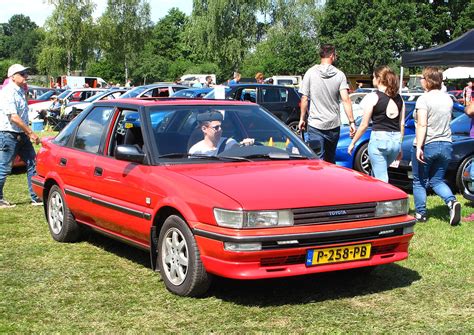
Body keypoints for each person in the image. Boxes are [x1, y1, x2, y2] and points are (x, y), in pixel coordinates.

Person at [412, 67, 461, 225]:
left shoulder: (423, 99)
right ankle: (452, 202)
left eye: (422, 77)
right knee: (437, 180)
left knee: (419, 180)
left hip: (429, 143)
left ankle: (420, 213)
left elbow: (422, 124)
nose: (420, 80)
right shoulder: (448, 99)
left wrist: (419, 146)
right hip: (446, 144)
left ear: (427, 80)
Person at [298, 44, 356, 163]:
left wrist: (302, 118)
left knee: (316, 160)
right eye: (335, 55)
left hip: (315, 125)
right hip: (333, 125)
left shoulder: (310, 73)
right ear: (331, 55)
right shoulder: (340, 75)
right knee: (330, 160)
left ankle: (317, 181)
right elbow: (346, 100)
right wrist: (352, 122)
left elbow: (304, 98)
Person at [348, 66, 405, 182]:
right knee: (377, 172)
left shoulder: (373, 97)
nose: (372, 79)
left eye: (373, 76)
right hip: (395, 141)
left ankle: (387, 199)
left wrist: (353, 143)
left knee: (381, 178)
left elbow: (364, 125)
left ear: (379, 79)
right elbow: (402, 124)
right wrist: (400, 147)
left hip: (379, 140)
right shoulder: (400, 99)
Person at [0, 64, 42, 208]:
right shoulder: (7, 92)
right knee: (4, 168)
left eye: (26, 73)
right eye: (22, 74)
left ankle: (35, 197)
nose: (26, 76)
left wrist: (26, 133)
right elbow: (14, 117)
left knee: (32, 163)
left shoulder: (20, 91)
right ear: (13, 77)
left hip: (21, 134)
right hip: (9, 134)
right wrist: (30, 132)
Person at [188, 111, 254, 156]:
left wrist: (246, 146)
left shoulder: (229, 144)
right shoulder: (196, 151)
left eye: (220, 126)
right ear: (204, 129)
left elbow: (240, 151)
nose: (220, 130)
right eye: (216, 127)